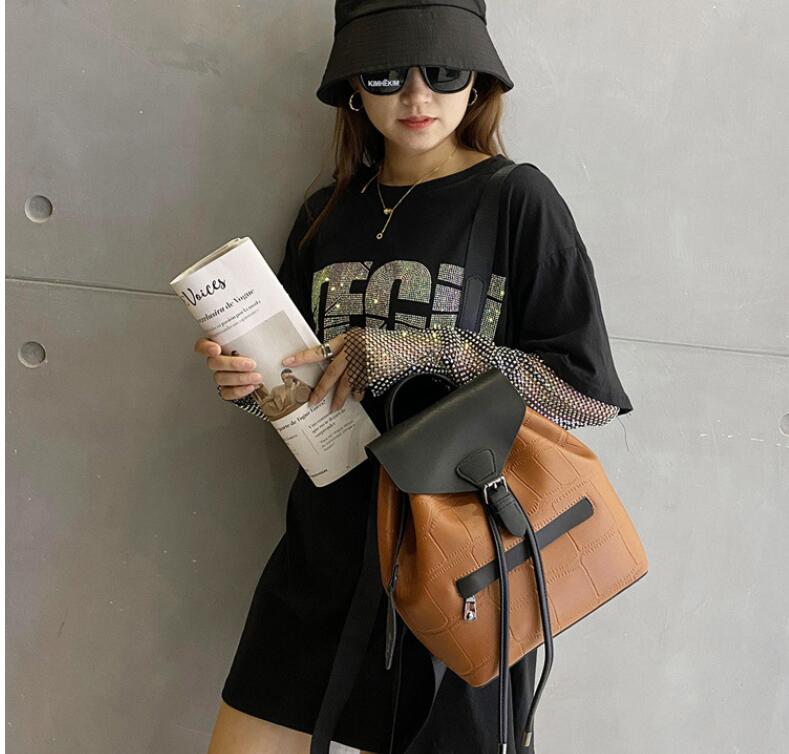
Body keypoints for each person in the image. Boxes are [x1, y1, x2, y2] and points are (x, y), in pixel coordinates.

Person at [198, 2, 633, 753]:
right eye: (385, 74)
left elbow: (583, 393)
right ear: (352, 88)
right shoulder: (324, 213)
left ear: (478, 81)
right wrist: (251, 389)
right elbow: (308, 390)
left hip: (461, 565)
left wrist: (424, 352)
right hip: (322, 554)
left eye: (443, 71)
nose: (416, 95)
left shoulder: (516, 199)